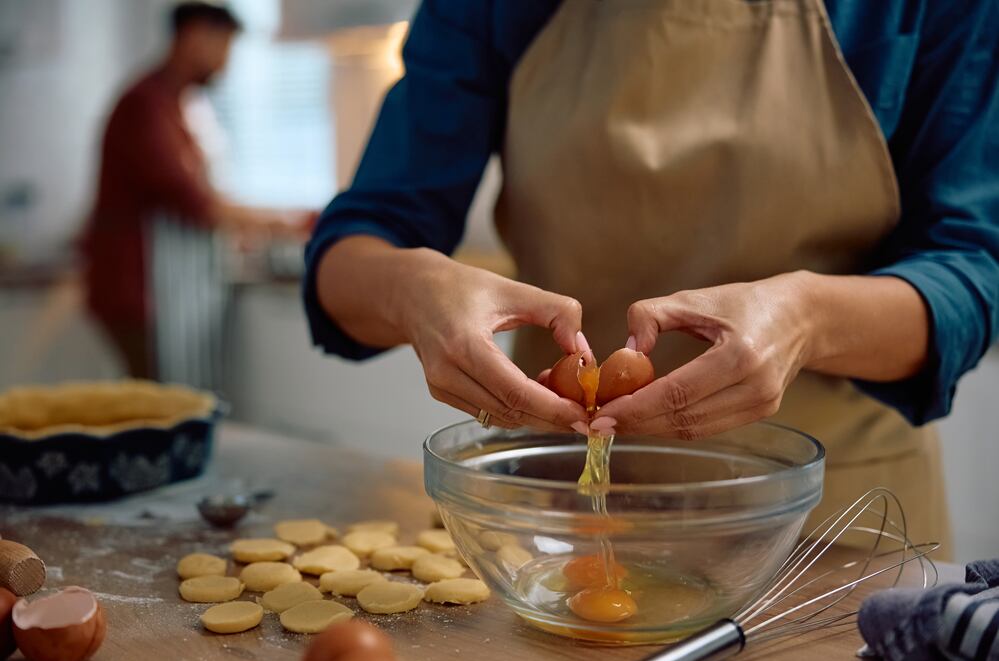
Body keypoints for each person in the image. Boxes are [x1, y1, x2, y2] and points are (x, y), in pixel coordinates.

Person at [303, 0, 999, 556]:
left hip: (830, 531)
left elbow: (973, 271)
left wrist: (808, 319)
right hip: (556, 522)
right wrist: (411, 290)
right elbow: (357, 246)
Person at [81, 2, 303, 378]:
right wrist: (284, 221)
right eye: (224, 47)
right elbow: (194, 201)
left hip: (164, 285)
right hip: (137, 287)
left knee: (167, 397)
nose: (225, 63)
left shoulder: (180, 104)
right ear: (195, 37)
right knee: (156, 400)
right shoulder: (145, 105)